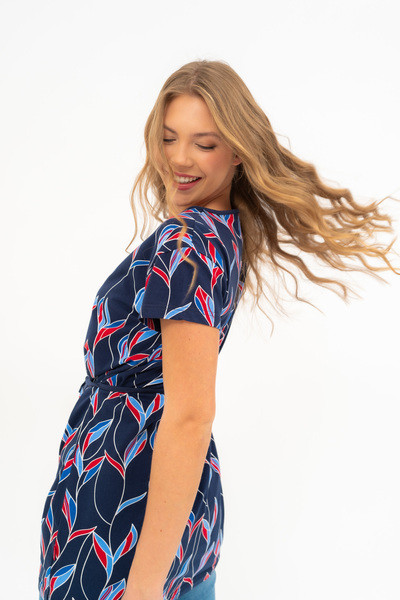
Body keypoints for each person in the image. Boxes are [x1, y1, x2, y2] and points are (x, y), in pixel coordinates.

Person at [38, 59, 399, 600]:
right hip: (181, 520)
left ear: (237, 151)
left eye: (203, 143)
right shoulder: (221, 235)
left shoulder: (186, 245)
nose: (179, 158)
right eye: (168, 138)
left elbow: (190, 415)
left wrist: (143, 586)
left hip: (120, 525)